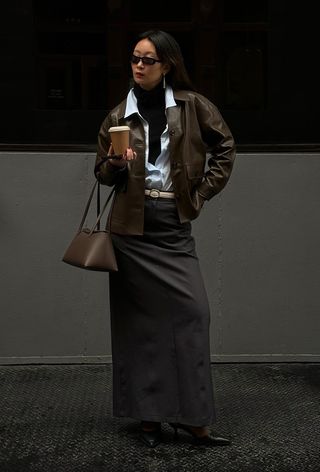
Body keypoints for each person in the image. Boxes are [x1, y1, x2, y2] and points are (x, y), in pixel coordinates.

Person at [94, 30, 236, 448]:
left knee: (193, 314)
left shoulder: (193, 106)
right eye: (134, 58)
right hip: (130, 230)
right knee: (140, 327)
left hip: (172, 222)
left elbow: (224, 146)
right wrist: (116, 164)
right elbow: (102, 174)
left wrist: (201, 192)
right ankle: (150, 418)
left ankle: (193, 418)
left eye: (148, 59)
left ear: (167, 65)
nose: (138, 65)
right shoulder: (119, 113)